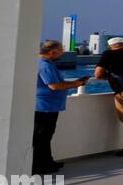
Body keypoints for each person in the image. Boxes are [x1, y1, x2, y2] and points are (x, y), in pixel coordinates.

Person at [33, 40, 89, 175]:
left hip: (49, 106)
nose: (62, 52)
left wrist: (75, 82)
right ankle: (40, 166)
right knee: (42, 137)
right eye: (60, 50)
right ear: (53, 52)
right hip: (44, 107)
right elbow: (54, 86)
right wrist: (75, 84)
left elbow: (57, 83)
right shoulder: (45, 66)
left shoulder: (48, 65)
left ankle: (48, 162)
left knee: (46, 136)